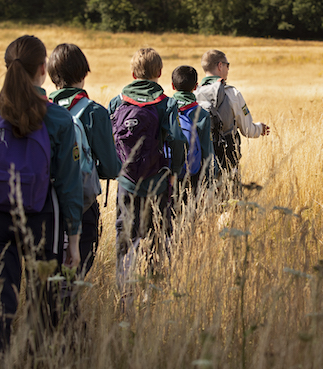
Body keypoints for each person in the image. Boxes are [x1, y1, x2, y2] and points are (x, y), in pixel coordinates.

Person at [0, 35, 82, 364]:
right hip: (40, 219)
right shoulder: (59, 120)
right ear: (42, 69)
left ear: (8, 68)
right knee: (43, 307)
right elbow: (69, 187)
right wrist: (73, 240)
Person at [108, 48, 187, 291]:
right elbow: (176, 140)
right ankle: (155, 290)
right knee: (159, 238)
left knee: (126, 240)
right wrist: (174, 172)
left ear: (133, 74)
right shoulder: (166, 103)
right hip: (158, 183)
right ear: (160, 73)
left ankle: (125, 293)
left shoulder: (116, 101)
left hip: (127, 183)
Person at [48, 42, 121, 277]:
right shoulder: (94, 112)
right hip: (82, 204)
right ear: (83, 73)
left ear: (51, 75)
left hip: (41, 203)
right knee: (75, 274)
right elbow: (111, 168)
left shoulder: (38, 110)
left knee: (47, 276)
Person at [194, 49, 270, 186]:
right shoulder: (232, 93)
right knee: (230, 203)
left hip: (199, 163)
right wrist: (260, 128)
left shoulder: (194, 93)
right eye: (227, 65)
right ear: (220, 66)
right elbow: (248, 130)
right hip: (228, 161)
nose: (228, 69)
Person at [169, 65, 217, 200]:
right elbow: (207, 150)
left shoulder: (165, 109)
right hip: (193, 175)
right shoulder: (201, 114)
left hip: (168, 174)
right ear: (196, 87)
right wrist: (211, 177)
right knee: (191, 216)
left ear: (173, 86)